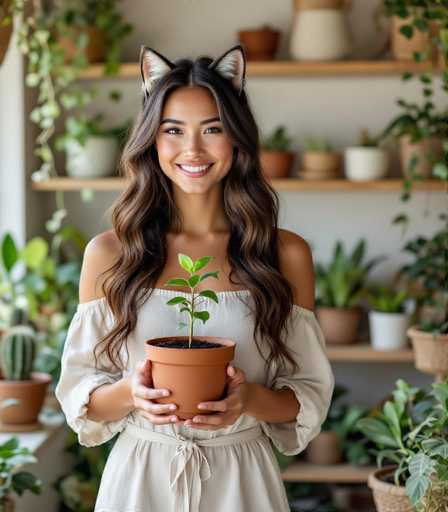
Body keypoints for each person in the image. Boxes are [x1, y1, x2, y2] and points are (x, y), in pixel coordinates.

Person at [55, 44, 335, 512]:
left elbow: (305, 395)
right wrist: (132, 395)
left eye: (213, 129)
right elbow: (82, 400)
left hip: (243, 482)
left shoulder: (284, 255)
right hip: (139, 481)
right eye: (173, 130)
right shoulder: (109, 255)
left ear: (237, 138)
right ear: (152, 140)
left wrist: (247, 400)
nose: (193, 149)